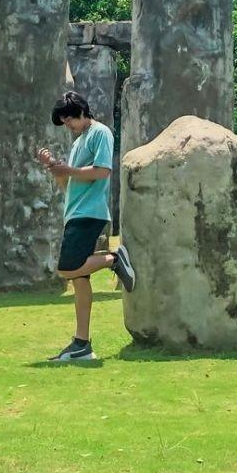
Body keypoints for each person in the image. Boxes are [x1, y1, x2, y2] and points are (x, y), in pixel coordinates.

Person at [38, 90, 136, 362]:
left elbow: (102, 172)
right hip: (75, 213)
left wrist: (67, 170)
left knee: (66, 268)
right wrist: (55, 167)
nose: (67, 126)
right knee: (78, 278)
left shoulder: (100, 133)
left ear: (82, 113)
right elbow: (67, 184)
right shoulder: (78, 142)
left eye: (69, 120)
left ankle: (113, 258)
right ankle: (82, 343)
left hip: (89, 213)